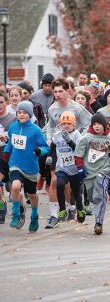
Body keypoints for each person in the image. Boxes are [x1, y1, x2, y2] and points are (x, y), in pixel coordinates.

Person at [45, 78, 92, 228]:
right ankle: (56, 214)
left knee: (73, 187)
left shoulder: (77, 108)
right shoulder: (52, 109)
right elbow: (51, 126)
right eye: (55, 92)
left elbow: (89, 122)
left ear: (67, 91)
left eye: (60, 91)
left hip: (75, 148)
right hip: (59, 148)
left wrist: (80, 138)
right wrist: (49, 139)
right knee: (55, 182)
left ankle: (76, 207)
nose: (58, 94)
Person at [3, 101, 49, 231]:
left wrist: (40, 151)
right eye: (19, 112)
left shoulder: (36, 130)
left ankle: (34, 215)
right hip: (15, 163)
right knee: (15, 186)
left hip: (30, 167)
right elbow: (11, 143)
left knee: (32, 194)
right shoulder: (12, 127)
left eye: (24, 112)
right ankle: (16, 214)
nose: (21, 115)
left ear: (30, 114)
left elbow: (45, 147)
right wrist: (7, 153)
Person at [74, 113, 110, 235]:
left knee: (100, 193)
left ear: (104, 125)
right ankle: (96, 214)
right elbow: (78, 155)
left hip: (104, 170)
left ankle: (98, 223)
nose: (96, 126)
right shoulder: (86, 138)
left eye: (99, 124)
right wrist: (80, 168)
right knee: (93, 197)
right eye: (94, 124)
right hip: (89, 173)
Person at [48, 111, 84, 226]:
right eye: (64, 123)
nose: (66, 126)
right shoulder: (57, 135)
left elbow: (80, 150)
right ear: (60, 125)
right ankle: (62, 209)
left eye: (69, 123)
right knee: (59, 185)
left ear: (74, 124)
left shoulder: (77, 135)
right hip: (62, 168)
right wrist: (50, 158)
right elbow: (52, 148)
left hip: (74, 169)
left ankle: (80, 208)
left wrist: (70, 141)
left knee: (76, 192)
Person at [0, 91, 16, 223]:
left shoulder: (13, 119)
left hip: (9, 156)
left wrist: (7, 137)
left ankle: (17, 209)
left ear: (7, 103)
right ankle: (2, 206)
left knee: (13, 186)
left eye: (1, 102)